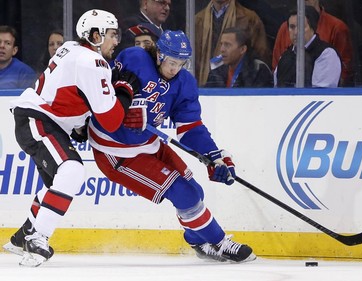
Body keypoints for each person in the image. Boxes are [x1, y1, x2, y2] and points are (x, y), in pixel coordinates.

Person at [88, 30, 257, 263]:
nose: (174, 69)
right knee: (183, 194)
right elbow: (99, 87)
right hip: (114, 150)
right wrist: (123, 107)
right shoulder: (134, 58)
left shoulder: (184, 83)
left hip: (149, 143)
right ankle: (219, 243)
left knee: (195, 193)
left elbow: (191, 128)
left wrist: (214, 157)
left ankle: (198, 241)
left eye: (181, 64)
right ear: (159, 54)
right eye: (171, 62)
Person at [2, 9, 135, 267]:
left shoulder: (72, 48)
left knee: (57, 182)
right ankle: (38, 237)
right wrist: (125, 92)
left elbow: (69, 92)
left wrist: (79, 122)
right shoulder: (92, 62)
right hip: (38, 120)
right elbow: (110, 120)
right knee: (72, 169)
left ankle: (24, 236)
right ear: (95, 36)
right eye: (112, 35)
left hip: (38, 119)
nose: (116, 41)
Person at [272, 0, 353, 86]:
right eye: (292, 27)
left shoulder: (326, 54)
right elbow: (277, 88)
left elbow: (321, 94)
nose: (296, 32)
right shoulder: (285, 56)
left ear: (313, 28)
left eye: (301, 26)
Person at [195, 0, 270, 87]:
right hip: (204, 85)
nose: (222, 49)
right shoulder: (197, 20)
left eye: (227, 45)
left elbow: (261, 55)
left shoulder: (250, 19)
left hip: (244, 84)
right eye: (222, 45)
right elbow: (192, 58)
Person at [206, 27, 273, 88]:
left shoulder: (258, 69)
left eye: (227, 45)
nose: (222, 49)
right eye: (221, 44)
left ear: (242, 49)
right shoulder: (216, 68)